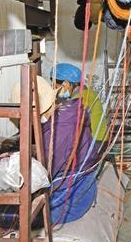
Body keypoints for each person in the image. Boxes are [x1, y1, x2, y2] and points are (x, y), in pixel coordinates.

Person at [11, 76, 98, 225]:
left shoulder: (59, 129)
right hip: (77, 188)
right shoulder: (66, 112)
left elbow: (43, 175)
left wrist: (9, 164)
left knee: (8, 221)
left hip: (71, 198)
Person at [50, 63, 108, 146]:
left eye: (56, 87)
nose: (56, 91)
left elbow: (68, 123)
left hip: (94, 142)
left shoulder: (79, 99)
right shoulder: (88, 93)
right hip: (100, 139)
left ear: (66, 84)